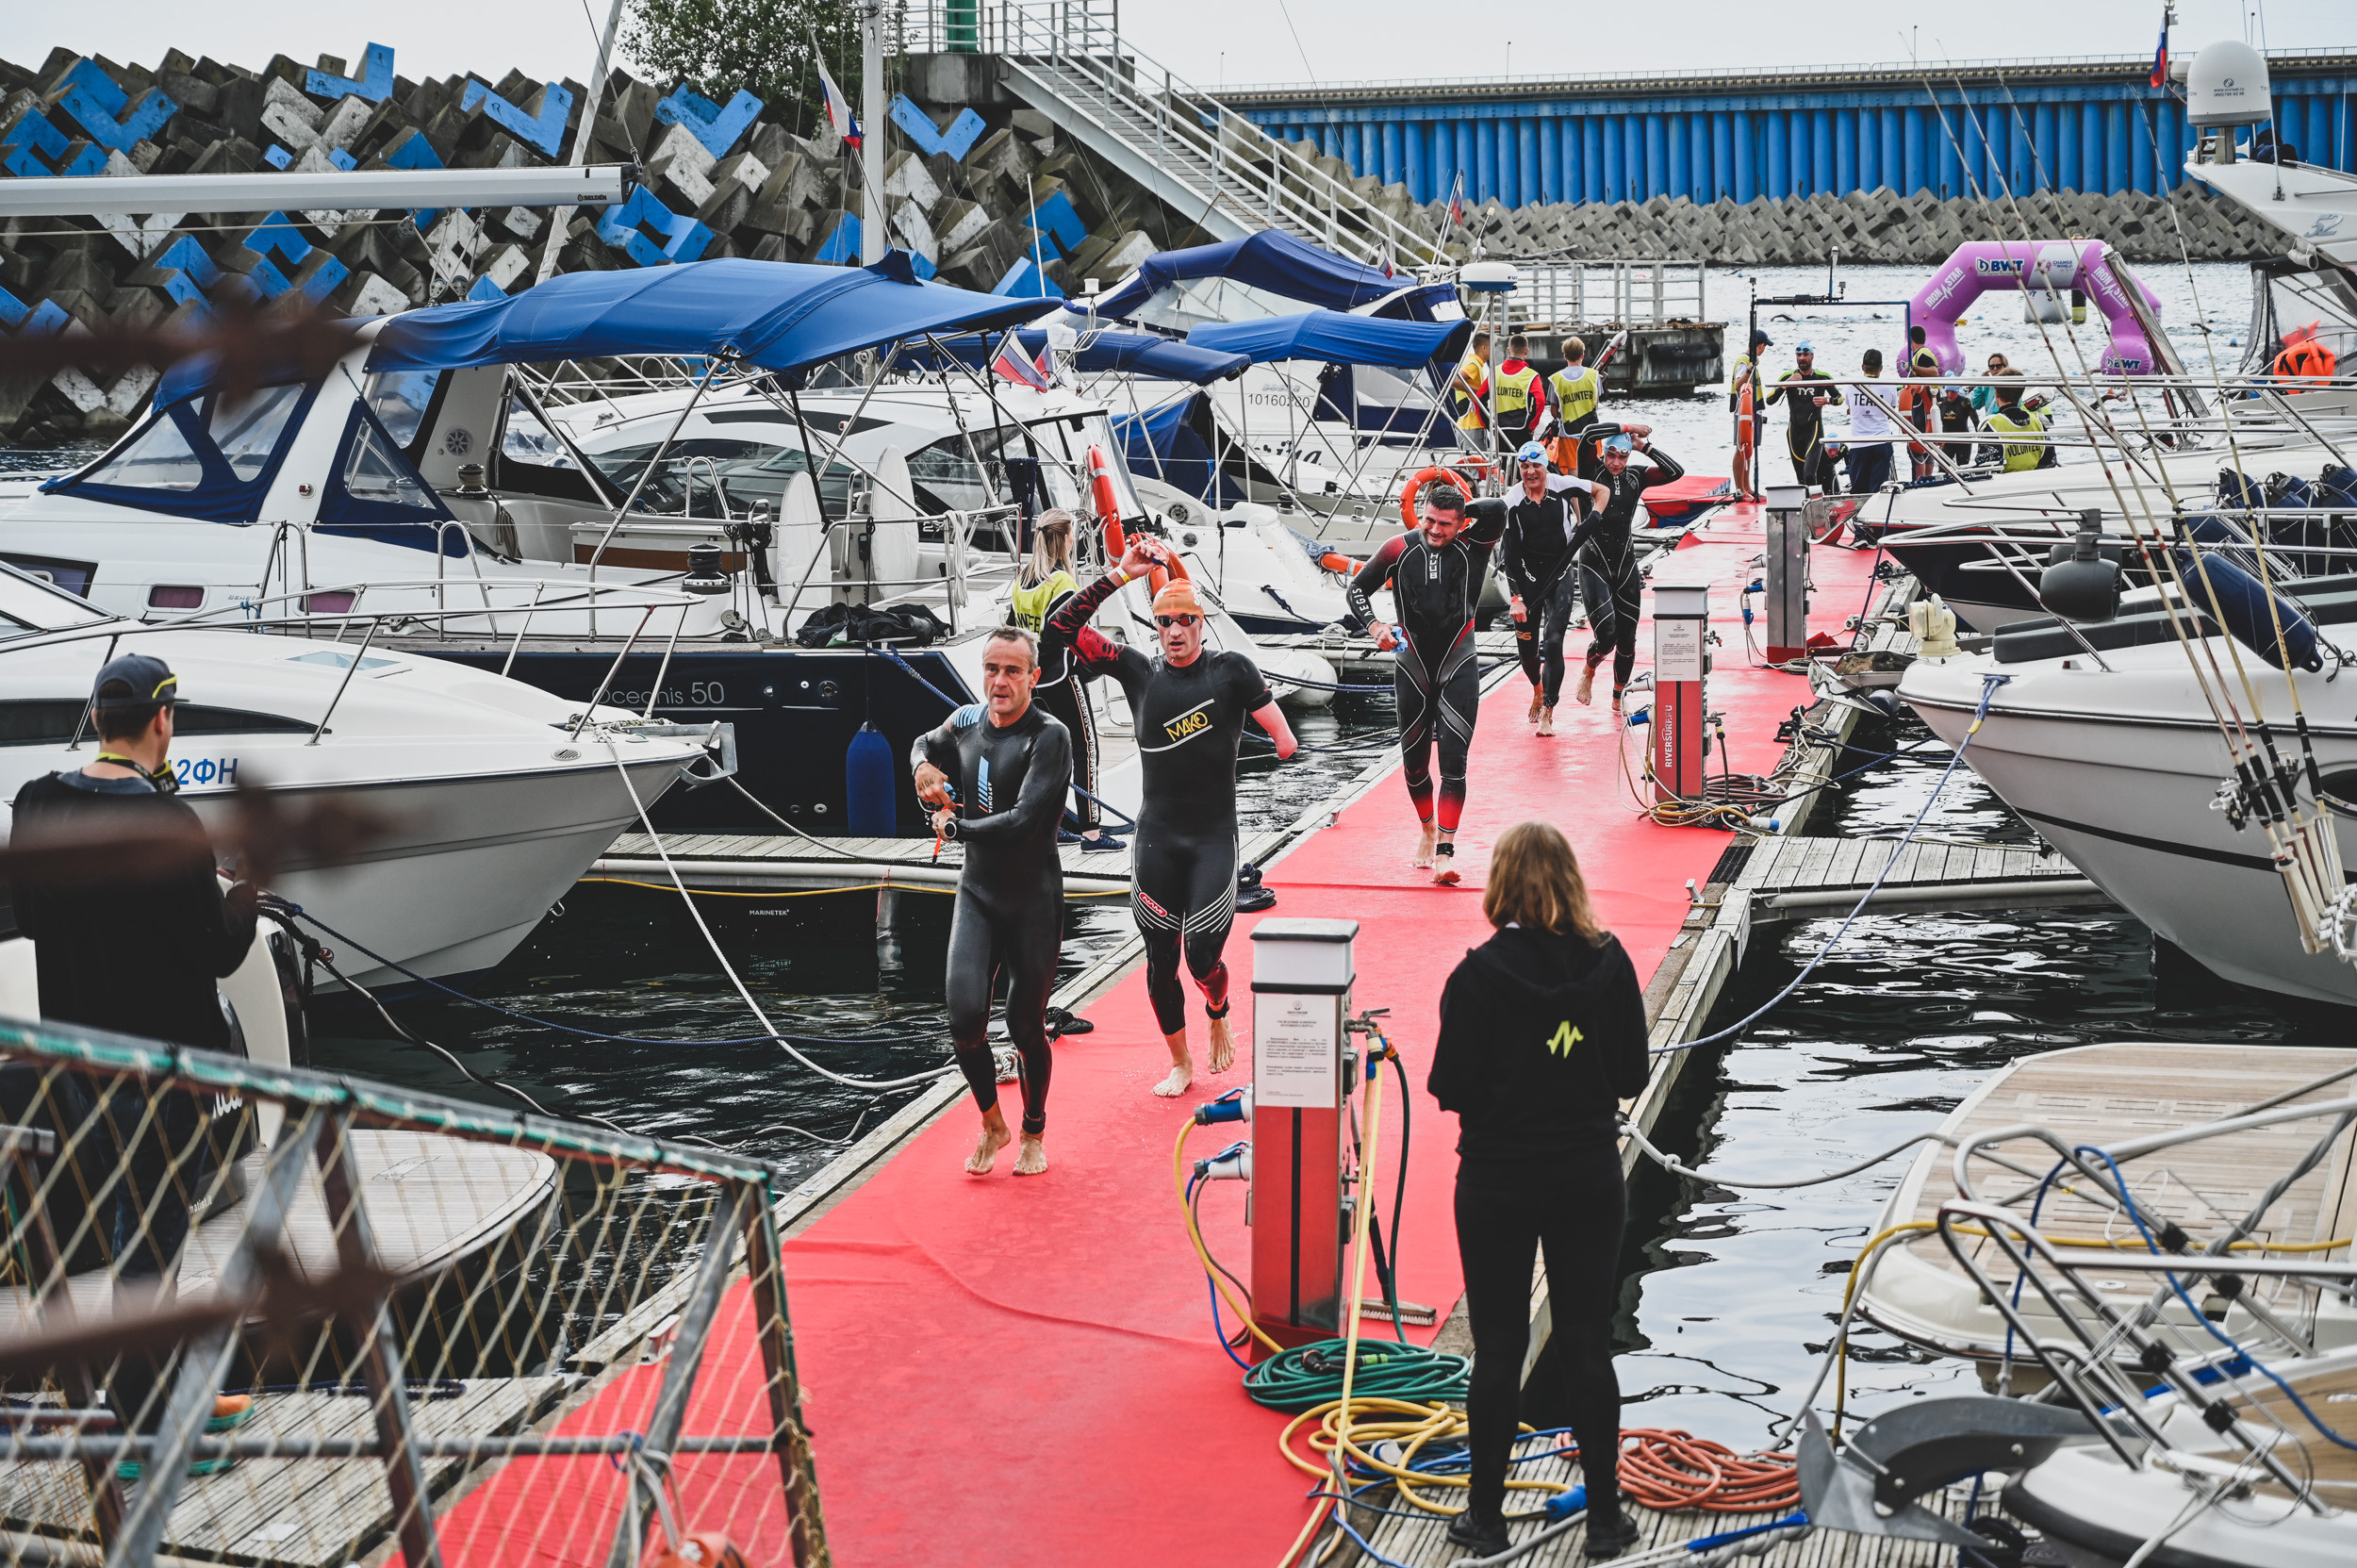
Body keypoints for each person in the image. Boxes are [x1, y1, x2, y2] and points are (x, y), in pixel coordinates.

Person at [7, 652, 259, 1466]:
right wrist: (241, 894)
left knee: (139, 1227)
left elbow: (35, 915)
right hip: (165, 1076)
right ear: (162, 720)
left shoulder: (38, 803)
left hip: (81, 1066)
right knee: (151, 1244)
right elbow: (218, 954)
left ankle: (153, 1394)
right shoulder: (173, 827)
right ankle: (149, 1431)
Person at [1428, 821, 1649, 1561]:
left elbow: (1449, 1086)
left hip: (1496, 1179)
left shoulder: (1477, 975)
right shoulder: (1611, 964)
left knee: (1498, 1347)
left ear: (1501, 885)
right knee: (1589, 1341)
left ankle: (1484, 1517)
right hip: (1586, 1174)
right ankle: (1606, 1521)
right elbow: (1631, 1077)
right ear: (1570, 879)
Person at [1045, 548, 1296, 1097]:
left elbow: (1284, 739)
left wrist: (1275, 734)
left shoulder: (1231, 670)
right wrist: (1120, 574)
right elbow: (1058, 627)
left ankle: (1218, 1004)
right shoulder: (1135, 669)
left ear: (1201, 623)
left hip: (1212, 839)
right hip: (1157, 837)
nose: (1175, 630)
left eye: (1185, 620)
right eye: (1164, 621)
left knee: (1202, 956)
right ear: (1154, 626)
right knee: (1160, 959)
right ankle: (1181, 1063)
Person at [911, 629, 1073, 1175]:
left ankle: (1033, 1129)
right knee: (964, 1020)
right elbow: (922, 743)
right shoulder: (964, 720)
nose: (999, 682)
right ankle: (992, 1123)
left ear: (1034, 677)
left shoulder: (1049, 737)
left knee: (1025, 1026)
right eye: (991, 669)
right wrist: (922, 770)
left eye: (1011, 671)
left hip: (1034, 902)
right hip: (978, 893)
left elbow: (1025, 820)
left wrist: (954, 827)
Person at [1346, 481, 1508, 884]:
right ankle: (1427, 828)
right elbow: (1356, 589)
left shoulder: (1476, 545)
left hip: (1459, 661)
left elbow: (1499, 508)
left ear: (1461, 523)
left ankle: (1445, 854)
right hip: (1413, 663)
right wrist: (1374, 625)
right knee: (1415, 766)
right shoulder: (1398, 549)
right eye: (1430, 520)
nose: (1436, 530)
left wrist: (1461, 505)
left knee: (1454, 763)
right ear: (1422, 514)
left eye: (1446, 523)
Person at [1010, 510, 1119, 852]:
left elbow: (1015, 630)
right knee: (1085, 750)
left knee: (1044, 754)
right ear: (1065, 539)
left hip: (1032, 682)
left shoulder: (1021, 581)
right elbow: (1063, 634)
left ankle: (1049, 826)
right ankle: (1091, 833)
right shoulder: (1062, 583)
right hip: (1060, 678)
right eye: (1073, 534)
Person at [1572, 428, 1683, 711]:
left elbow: (1676, 472)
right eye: (1611, 455)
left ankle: (1617, 697)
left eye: (1623, 456)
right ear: (1603, 452)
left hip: (1625, 565)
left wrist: (1644, 447)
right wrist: (1623, 426)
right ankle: (1589, 668)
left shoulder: (1636, 476)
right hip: (1594, 564)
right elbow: (1586, 436)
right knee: (1607, 636)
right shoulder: (1592, 473)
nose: (1617, 463)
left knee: (1627, 640)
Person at [1501, 441, 1603, 736]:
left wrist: (1593, 518)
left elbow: (1602, 491)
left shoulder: (1563, 485)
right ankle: (1537, 688)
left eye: (1536, 466)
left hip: (1559, 576)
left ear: (1546, 466)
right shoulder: (1512, 500)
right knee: (1527, 654)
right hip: (1528, 580)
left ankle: (1549, 709)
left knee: (1554, 641)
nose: (1530, 471)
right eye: (1524, 467)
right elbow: (1509, 555)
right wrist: (1517, 598)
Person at [1762, 340, 1841, 492]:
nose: (1802, 358)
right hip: (1794, 432)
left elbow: (1840, 399)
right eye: (1799, 355)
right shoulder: (1788, 376)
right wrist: (1787, 383)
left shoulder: (1822, 377)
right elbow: (1770, 400)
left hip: (1814, 429)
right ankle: (1808, 510)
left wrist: (1828, 400)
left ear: (1812, 356)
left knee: (1810, 475)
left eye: (1805, 354)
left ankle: (1816, 510)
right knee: (1801, 479)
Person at [1842, 348, 1898, 496]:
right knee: (1878, 492)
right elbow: (1890, 411)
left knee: (1859, 492)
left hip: (1859, 444)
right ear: (1881, 368)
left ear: (1863, 367)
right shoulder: (1890, 386)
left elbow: (1850, 407)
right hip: (1881, 441)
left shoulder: (1852, 385)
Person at [1546, 336, 1603, 480]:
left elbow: (1554, 411)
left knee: (1573, 473)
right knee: (1594, 468)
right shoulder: (1594, 376)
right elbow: (1596, 403)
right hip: (1592, 431)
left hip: (1568, 432)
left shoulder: (1556, 379)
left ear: (1565, 356)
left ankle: (1577, 503)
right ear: (1583, 355)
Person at [1726, 329, 1770, 501]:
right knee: (1741, 448)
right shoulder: (1744, 361)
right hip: (1743, 412)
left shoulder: (1751, 361)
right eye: (1764, 346)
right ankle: (1740, 488)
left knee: (1749, 450)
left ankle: (1747, 486)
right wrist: (1749, 369)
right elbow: (1738, 385)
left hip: (1753, 411)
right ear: (1760, 346)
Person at [1982, 371, 2051, 473]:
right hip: (2035, 480)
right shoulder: (2037, 423)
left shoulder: (1993, 425)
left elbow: (1984, 469)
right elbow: (2049, 461)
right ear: (2021, 393)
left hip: (2006, 485)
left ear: (1996, 393)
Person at [1489, 334, 1548, 451]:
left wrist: (1488, 423)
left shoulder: (1495, 372)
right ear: (1526, 351)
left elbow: (1480, 396)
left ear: (1508, 350)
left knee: (1503, 464)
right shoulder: (1531, 376)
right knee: (1522, 464)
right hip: (1522, 429)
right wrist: (1531, 425)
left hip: (1500, 428)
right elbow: (1540, 401)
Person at [1900, 348, 1941, 482]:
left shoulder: (1930, 391)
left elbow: (1934, 372)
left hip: (1924, 435)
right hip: (1919, 436)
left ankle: (1922, 490)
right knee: (1923, 466)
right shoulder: (1930, 391)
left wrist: (1912, 367)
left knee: (1925, 468)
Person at [1452, 331, 1493, 434]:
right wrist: (1477, 391)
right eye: (1491, 347)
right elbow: (1454, 381)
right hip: (1471, 425)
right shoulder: (1474, 364)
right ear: (1483, 348)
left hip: (1466, 425)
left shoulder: (1472, 363)